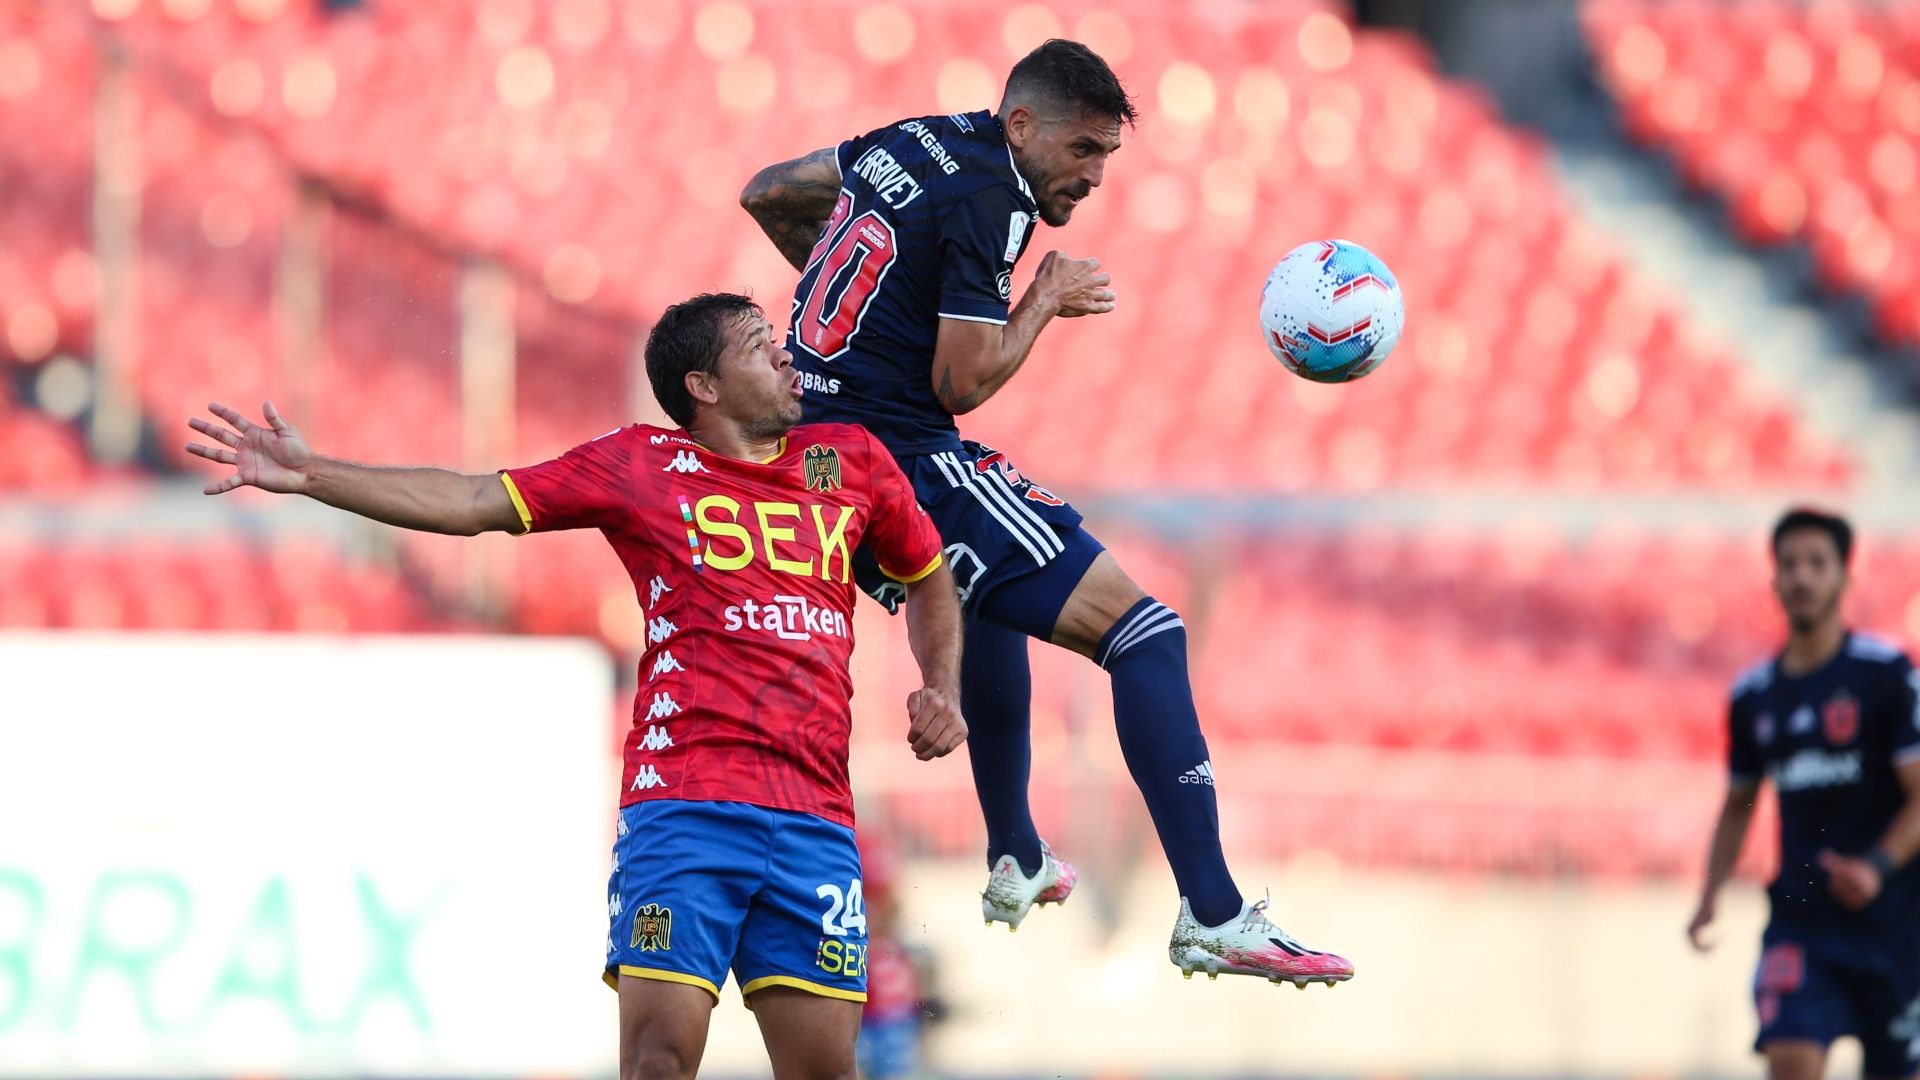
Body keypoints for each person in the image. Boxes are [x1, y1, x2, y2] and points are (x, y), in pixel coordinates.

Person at [187, 292, 969, 1080]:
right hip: (686, 806)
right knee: (657, 1059)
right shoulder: (639, 464)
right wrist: (313, 473)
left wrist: (941, 685)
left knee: (826, 1072)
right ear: (703, 386)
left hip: (814, 814)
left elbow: (928, 572)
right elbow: (476, 500)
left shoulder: (849, 458)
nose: (783, 354)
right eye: (759, 344)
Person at [740, 39, 1350, 984]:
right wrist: (1045, 297)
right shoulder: (994, 196)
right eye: (1083, 150)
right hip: (899, 460)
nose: (1095, 175)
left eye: (1107, 154)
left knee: (991, 602)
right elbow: (963, 380)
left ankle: (1016, 854)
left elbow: (770, 191)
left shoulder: (914, 138)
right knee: (1146, 635)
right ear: (1021, 125)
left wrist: (868, 319)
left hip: (821, 459)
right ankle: (1214, 914)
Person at [1689, 508, 1920, 1080]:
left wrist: (1876, 865)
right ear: (1774, 579)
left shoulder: (1886, 676)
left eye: (1817, 563)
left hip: (1895, 927)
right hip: (1801, 921)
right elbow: (1739, 804)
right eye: (1789, 565)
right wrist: (1710, 894)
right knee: (1790, 1057)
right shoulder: (1754, 697)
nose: (1802, 577)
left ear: (1844, 577)